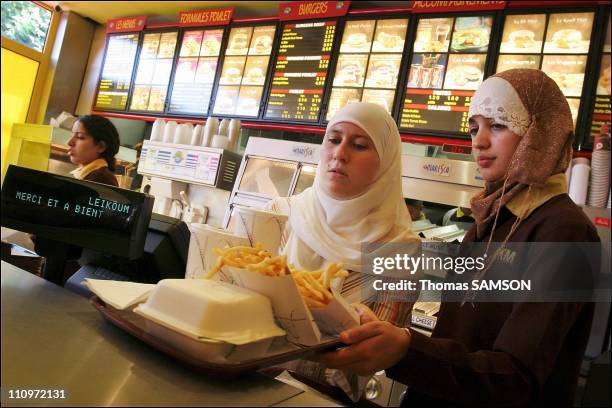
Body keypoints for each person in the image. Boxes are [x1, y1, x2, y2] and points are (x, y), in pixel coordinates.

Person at [314, 69, 600, 406]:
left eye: (497, 125)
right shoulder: (492, 220)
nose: (478, 141)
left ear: (541, 133)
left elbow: (516, 378)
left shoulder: (563, 232)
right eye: (474, 127)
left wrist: (405, 350)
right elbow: (460, 336)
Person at [265, 102, 421, 400]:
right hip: (251, 380)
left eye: (360, 145)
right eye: (334, 140)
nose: (339, 154)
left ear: (385, 163)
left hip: (323, 396)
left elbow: (379, 346)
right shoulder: (280, 214)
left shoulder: (401, 248)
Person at [68, 115, 119, 186]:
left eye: (80, 137)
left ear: (101, 146)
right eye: (72, 135)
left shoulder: (100, 179)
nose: (70, 142)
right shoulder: (87, 175)